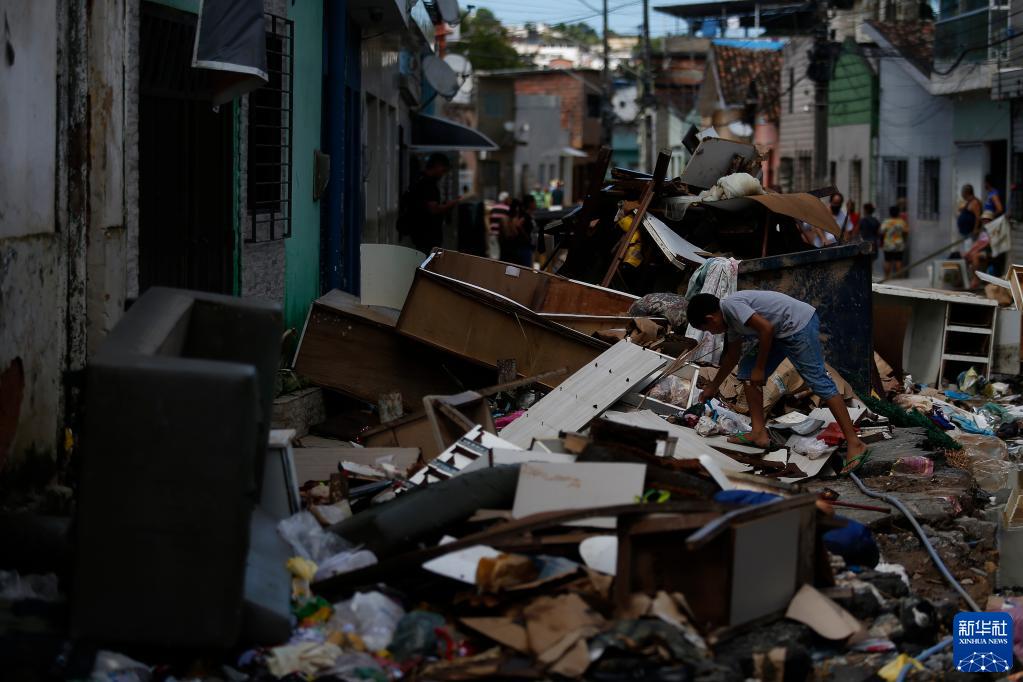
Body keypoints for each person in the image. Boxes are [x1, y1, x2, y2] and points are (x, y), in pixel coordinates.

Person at [689, 291, 870, 474]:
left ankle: (855, 443)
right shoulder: (730, 322)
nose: (711, 333)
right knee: (746, 371)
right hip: (779, 331)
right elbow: (732, 356)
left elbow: (766, 329)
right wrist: (713, 386)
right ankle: (758, 433)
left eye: (708, 329)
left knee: (819, 383)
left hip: (798, 325)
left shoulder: (731, 306)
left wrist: (760, 368)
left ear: (710, 318)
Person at [405, 153, 459, 253]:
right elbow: (433, 209)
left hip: (420, 235)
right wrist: (450, 205)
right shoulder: (428, 184)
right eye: (443, 170)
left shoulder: (420, 180)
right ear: (437, 166)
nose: (443, 174)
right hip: (426, 237)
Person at [965, 210, 994, 289]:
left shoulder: (992, 230)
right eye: (984, 219)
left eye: (987, 219)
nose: (985, 221)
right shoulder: (983, 231)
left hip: (989, 252)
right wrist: (970, 251)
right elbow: (978, 242)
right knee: (967, 256)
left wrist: (975, 250)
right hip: (981, 251)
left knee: (975, 256)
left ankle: (976, 279)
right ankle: (967, 279)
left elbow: (986, 243)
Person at [879, 206, 908, 279]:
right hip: (899, 243)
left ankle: (886, 277)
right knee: (899, 261)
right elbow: (905, 232)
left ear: (890, 213)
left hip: (888, 244)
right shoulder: (902, 222)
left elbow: (881, 232)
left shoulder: (886, 222)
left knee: (887, 261)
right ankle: (899, 277)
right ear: (898, 213)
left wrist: (882, 242)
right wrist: (903, 240)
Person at [487, 191, 511, 260]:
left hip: (493, 235)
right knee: (503, 258)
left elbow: (489, 220)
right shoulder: (507, 209)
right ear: (505, 199)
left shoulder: (493, 208)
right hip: (502, 236)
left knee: (494, 257)